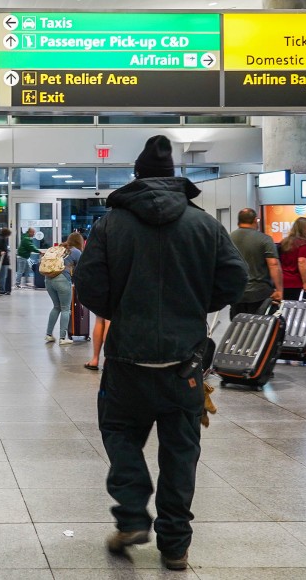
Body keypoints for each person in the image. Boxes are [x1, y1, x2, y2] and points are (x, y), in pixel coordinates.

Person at [74, 135, 247, 571]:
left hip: (128, 360)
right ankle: (174, 545)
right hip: (183, 364)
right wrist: (194, 305)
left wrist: (121, 310)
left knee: (119, 432)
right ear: (173, 179)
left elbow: (90, 284)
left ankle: (133, 514)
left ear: (137, 177)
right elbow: (233, 279)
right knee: (181, 452)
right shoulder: (203, 224)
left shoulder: (111, 225)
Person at [229, 208, 283, 317]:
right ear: (255, 220)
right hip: (259, 293)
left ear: (238, 221)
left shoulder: (228, 238)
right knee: (258, 328)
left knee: (238, 326)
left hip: (236, 292)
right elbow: (273, 264)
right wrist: (279, 290)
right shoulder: (265, 239)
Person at [43, 231, 84, 346]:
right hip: (62, 280)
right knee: (66, 309)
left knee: (56, 307)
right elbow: (80, 269)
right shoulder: (76, 252)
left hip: (48, 279)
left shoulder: (59, 248)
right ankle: (62, 338)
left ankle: (49, 334)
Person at [279, 216, 306, 300]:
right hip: (298, 284)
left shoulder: (285, 242)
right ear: (302, 229)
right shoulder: (305, 244)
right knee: (299, 311)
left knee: (284, 310)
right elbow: (302, 261)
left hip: (283, 283)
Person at [0, 228, 13, 295]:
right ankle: (2, 289)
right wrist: (1, 252)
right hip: (2, 260)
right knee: (3, 276)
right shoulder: (2, 239)